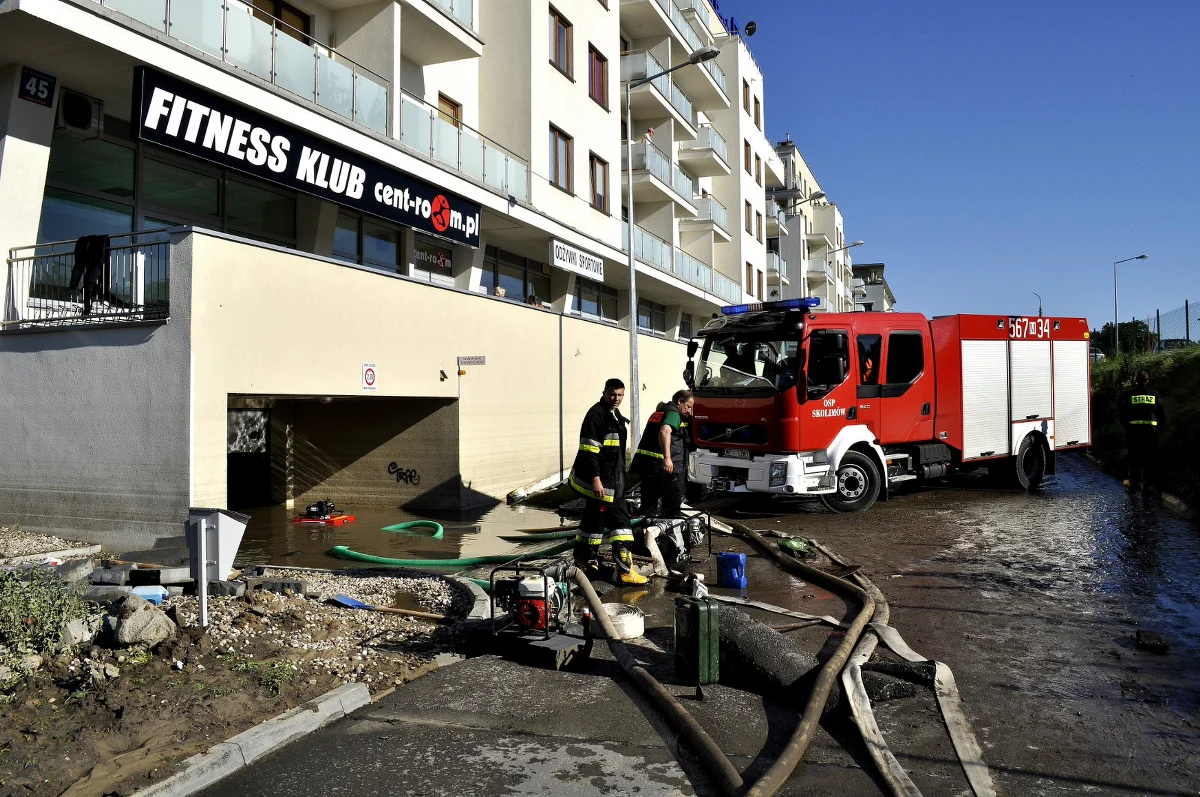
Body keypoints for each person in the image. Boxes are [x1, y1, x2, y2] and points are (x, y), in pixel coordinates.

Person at [568, 379, 647, 585]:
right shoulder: (596, 415)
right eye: (612, 394)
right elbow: (589, 452)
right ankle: (626, 571)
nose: (616, 399)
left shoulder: (614, 415)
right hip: (601, 482)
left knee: (594, 521)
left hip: (611, 479)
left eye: (620, 395)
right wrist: (596, 481)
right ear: (603, 392)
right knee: (621, 523)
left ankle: (585, 560)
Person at [631, 389, 694, 518]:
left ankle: (646, 531)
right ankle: (669, 531)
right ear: (679, 401)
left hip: (648, 465)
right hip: (663, 467)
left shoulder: (660, 411)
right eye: (688, 406)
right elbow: (665, 432)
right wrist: (668, 458)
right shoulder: (673, 413)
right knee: (672, 502)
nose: (689, 411)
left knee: (649, 502)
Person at [1119, 371, 1164, 494]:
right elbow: (1161, 415)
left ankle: (1133, 482)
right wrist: (1157, 429)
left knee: (1134, 457)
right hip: (1151, 433)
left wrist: (1127, 428)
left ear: (1136, 381)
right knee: (1149, 458)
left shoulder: (1129, 394)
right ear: (1147, 381)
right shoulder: (1154, 394)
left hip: (1133, 433)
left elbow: (1122, 415)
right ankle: (1147, 484)